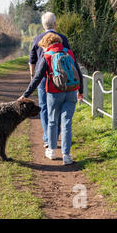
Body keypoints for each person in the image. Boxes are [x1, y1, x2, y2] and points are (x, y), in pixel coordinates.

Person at [20, 32, 83, 165]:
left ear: (47, 44)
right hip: (71, 92)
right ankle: (66, 156)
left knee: (53, 121)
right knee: (67, 123)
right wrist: (80, 91)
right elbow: (78, 72)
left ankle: (52, 151)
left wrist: (25, 94)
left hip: (54, 93)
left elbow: (37, 78)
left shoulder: (47, 56)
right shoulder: (69, 53)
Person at [29, 12, 72, 148]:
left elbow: (32, 60)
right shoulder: (62, 38)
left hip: (42, 78)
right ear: (55, 23)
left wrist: (32, 76)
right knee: (58, 106)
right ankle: (55, 134)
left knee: (44, 107)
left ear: (43, 25)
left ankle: (48, 138)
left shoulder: (37, 39)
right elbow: (70, 58)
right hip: (58, 77)